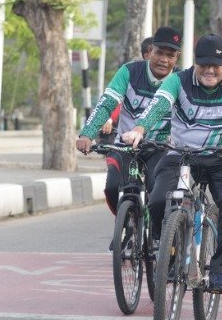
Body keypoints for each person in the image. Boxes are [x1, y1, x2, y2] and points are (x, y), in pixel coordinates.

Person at [122, 33, 222, 294]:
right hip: (182, 155)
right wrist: (139, 129)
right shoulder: (177, 81)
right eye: (203, 64)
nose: (209, 71)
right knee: (159, 199)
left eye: (215, 66)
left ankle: (220, 270)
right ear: (194, 63)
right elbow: (158, 106)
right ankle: (168, 254)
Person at [76, 26, 181, 213]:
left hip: (160, 147)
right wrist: (87, 134)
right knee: (111, 188)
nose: (163, 60)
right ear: (150, 52)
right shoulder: (129, 71)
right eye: (159, 53)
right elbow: (107, 103)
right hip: (124, 145)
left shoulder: (180, 80)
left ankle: (157, 238)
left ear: (176, 58)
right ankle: (125, 228)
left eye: (170, 55)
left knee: (157, 193)